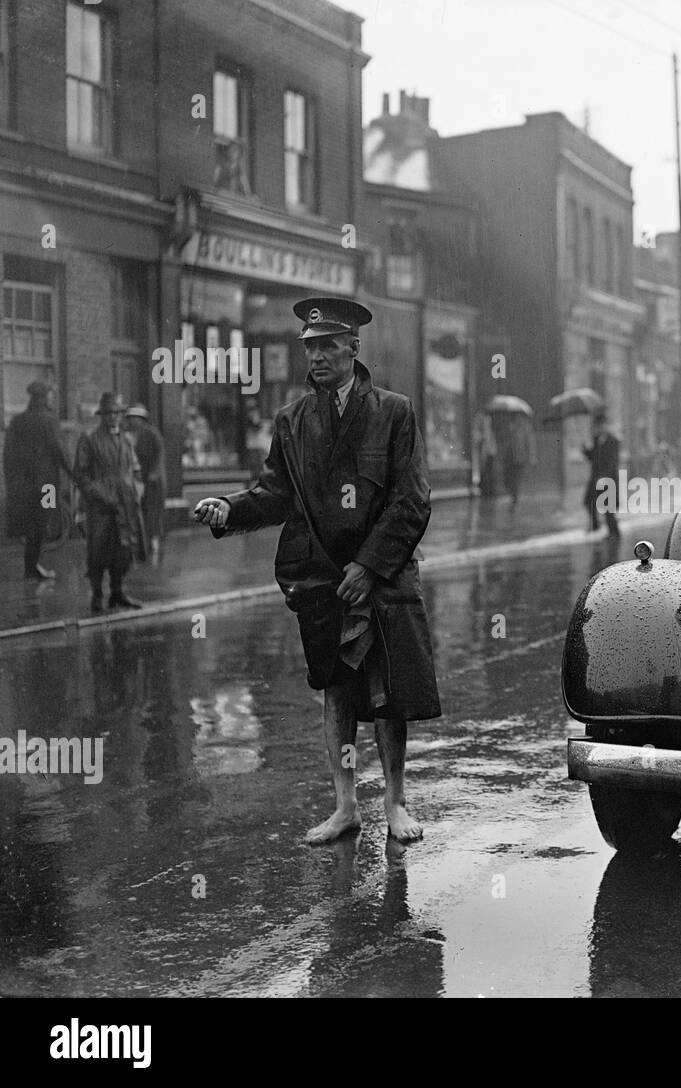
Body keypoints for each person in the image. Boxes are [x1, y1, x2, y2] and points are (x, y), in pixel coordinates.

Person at [192, 296, 440, 845]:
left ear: (354, 348)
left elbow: (411, 501)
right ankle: (345, 806)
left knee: (387, 692)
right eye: (311, 346)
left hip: (384, 576)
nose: (319, 355)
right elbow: (276, 493)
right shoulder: (292, 420)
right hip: (323, 577)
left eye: (329, 345)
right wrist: (231, 508)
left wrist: (370, 567)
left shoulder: (394, 412)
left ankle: (396, 803)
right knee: (336, 690)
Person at [75, 393, 146, 611]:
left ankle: (118, 592)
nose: (113, 417)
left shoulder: (126, 439)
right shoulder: (89, 438)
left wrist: (137, 490)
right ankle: (97, 595)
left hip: (125, 505)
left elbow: (135, 469)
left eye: (117, 413)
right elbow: (81, 474)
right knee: (98, 550)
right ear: (102, 415)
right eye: (109, 413)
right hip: (101, 507)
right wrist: (99, 494)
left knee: (123, 550)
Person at [3, 379, 73, 580]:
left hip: (22, 486)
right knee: (43, 522)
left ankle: (31, 566)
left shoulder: (17, 422)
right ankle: (32, 567)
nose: (51, 399)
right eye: (50, 396)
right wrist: (75, 475)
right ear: (43, 398)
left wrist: (11, 482)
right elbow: (60, 450)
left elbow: (7, 455)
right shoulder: (49, 420)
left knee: (31, 524)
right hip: (47, 486)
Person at [125, 404, 166, 564]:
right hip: (135, 478)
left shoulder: (151, 434)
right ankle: (139, 541)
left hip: (152, 479)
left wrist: (155, 473)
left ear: (142, 420)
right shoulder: (127, 435)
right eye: (130, 418)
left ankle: (154, 539)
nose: (132, 421)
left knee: (152, 510)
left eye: (136, 418)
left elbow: (159, 454)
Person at [583, 411, 621, 537]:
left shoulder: (612, 440)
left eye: (600, 425)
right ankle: (595, 525)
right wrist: (585, 450)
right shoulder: (597, 440)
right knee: (588, 501)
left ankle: (614, 532)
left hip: (608, 480)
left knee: (608, 508)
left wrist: (604, 477)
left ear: (605, 425)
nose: (597, 428)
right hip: (595, 478)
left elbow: (612, 462)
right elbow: (593, 457)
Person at [496, 412, 536, 506]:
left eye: (519, 416)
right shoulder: (509, 426)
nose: (518, 418)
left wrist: (532, 457)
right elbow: (503, 440)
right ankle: (512, 493)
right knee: (508, 477)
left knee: (517, 477)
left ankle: (514, 496)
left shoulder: (526, 427)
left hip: (520, 457)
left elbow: (530, 442)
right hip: (509, 457)